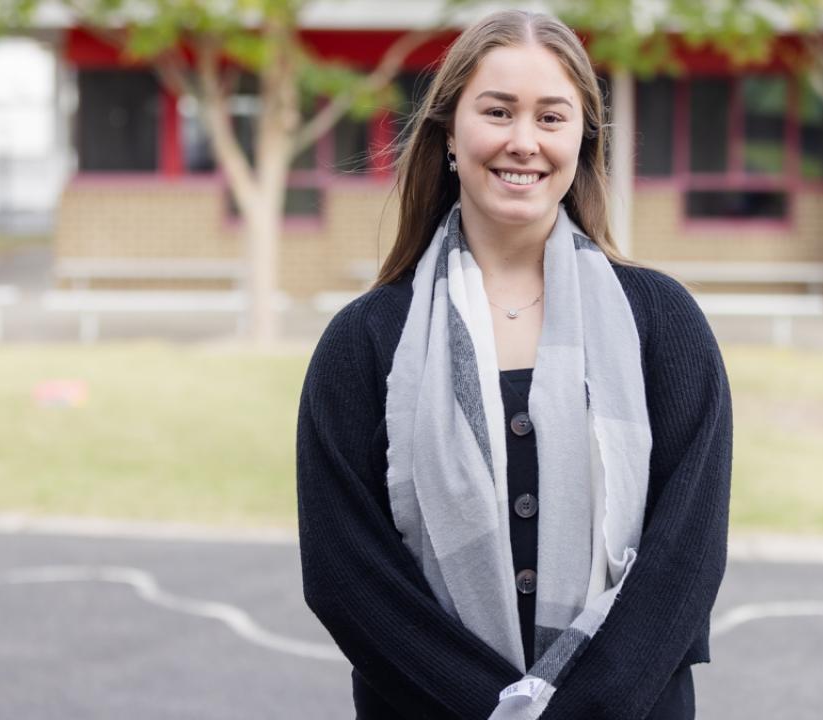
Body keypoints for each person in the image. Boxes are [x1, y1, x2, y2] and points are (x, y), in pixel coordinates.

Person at [296, 9, 732, 720]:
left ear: (581, 141)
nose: (523, 142)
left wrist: (580, 711)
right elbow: (347, 576)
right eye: (497, 111)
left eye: (551, 118)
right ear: (448, 134)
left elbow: (685, 559)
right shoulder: (365, 342)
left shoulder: (663, 326)